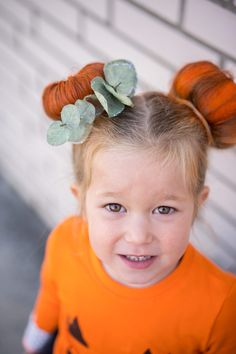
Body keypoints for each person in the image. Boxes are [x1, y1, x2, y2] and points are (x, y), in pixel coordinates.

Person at [22, 59, 236, 354]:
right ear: (81, 200)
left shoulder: (223, 306)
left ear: (198, 205)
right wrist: (36, 337)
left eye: (164, 209)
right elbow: (51, 296)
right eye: (114, 206)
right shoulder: (63, 241)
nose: (138, 237)